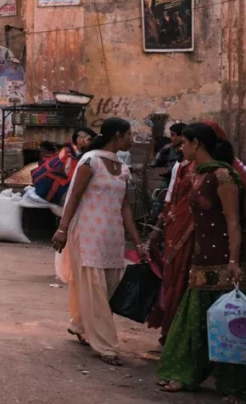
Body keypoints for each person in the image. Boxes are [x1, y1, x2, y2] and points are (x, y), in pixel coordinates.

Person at [157, 123, 245, 398]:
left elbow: (233, 222)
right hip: (201, 257)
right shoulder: (197, 175)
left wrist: (234, 260)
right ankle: (186, 374)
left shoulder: (222, 176)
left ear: (196, 144)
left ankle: (234, 383)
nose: (180, 148)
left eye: (183, 143)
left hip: (222, 259)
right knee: (195, 322)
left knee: (229, 323)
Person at [52, 118, 148, 366]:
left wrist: (138, 243)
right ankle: (106, 346)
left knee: (107, 288)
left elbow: (125, 207)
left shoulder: (121, 166)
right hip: (87, 233)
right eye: (129, 134)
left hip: (112, 236)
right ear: (117, 135)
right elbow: (73, 197)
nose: (131, 139)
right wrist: (62, 229)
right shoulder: (90, 161)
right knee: (95, 289)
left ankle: (80, 324)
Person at [145, 132, 196, 345]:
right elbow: (170, 199)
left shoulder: (215, 172)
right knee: (175, 278)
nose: (180, 147)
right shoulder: (181, 166)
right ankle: (172, 332)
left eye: (184, 142)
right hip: (178, 229)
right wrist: (158, 229)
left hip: (201, 236)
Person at [30, 127, 96, 211]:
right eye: (90, 140)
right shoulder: (70, 158)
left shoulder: (68, 151)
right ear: (79, 140)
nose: (92, 143)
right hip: (54, 193)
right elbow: (76, 182)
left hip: (46, 188)